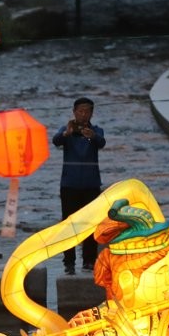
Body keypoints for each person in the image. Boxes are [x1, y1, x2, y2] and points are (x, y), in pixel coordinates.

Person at [52, 97, 106, 275]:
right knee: (69, 224)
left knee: (91, 224)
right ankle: (69, 262)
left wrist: (93, 136)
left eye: (87, 111)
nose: (83, 114)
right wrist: (67, 134)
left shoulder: (96, 131)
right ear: (74, 112)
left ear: (91, 113)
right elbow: (56, 140)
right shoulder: (66, 130)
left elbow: (102, 143)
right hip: (69, 184)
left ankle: (89, 261)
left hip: (91, 184)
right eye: (80, 111)